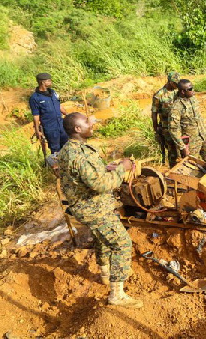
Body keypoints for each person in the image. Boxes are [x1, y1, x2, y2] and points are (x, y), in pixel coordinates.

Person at [58, 112, 142, 309]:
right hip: (92, 208)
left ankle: (105, 274)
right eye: (87, 122)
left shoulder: (72, 149)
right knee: (122, 243)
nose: (92, 123)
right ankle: (117, 295)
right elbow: (102, 185)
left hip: (89, 206)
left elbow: (86, 174)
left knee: (101, 237)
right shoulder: (78, 155)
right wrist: (122, 168)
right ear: (77, 129)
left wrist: (106, 167)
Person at [168, 79, 206, 166]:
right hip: (191, 143)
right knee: (191, 167)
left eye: (192, 88)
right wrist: (182, 147)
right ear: (182, 91)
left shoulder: (193, 99)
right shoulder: (176, 108)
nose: (192, 90)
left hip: (203, 136)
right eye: (190, 89)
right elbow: (173, 130)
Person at [29, 73, 68, 154]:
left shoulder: (53, 93)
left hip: (61, 124)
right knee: (55, 148)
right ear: (42, 82)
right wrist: (37, 131)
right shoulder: (34, 98)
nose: (51, 82)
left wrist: (68, 115)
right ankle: (57, 166)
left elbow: (59, 105)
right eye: (49, 81)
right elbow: (36, 116)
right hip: (50, 128)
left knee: (66, 145)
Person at [151, 72, 180, 167]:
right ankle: (173, 170)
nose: (177, 85)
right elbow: (154, 113)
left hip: (179, 126)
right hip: (167, 127)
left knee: (182, 148)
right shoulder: (159, 95)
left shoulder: (178, 91)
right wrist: (156, 129)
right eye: (175, 83)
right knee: (172, 151)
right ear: (170, 82)